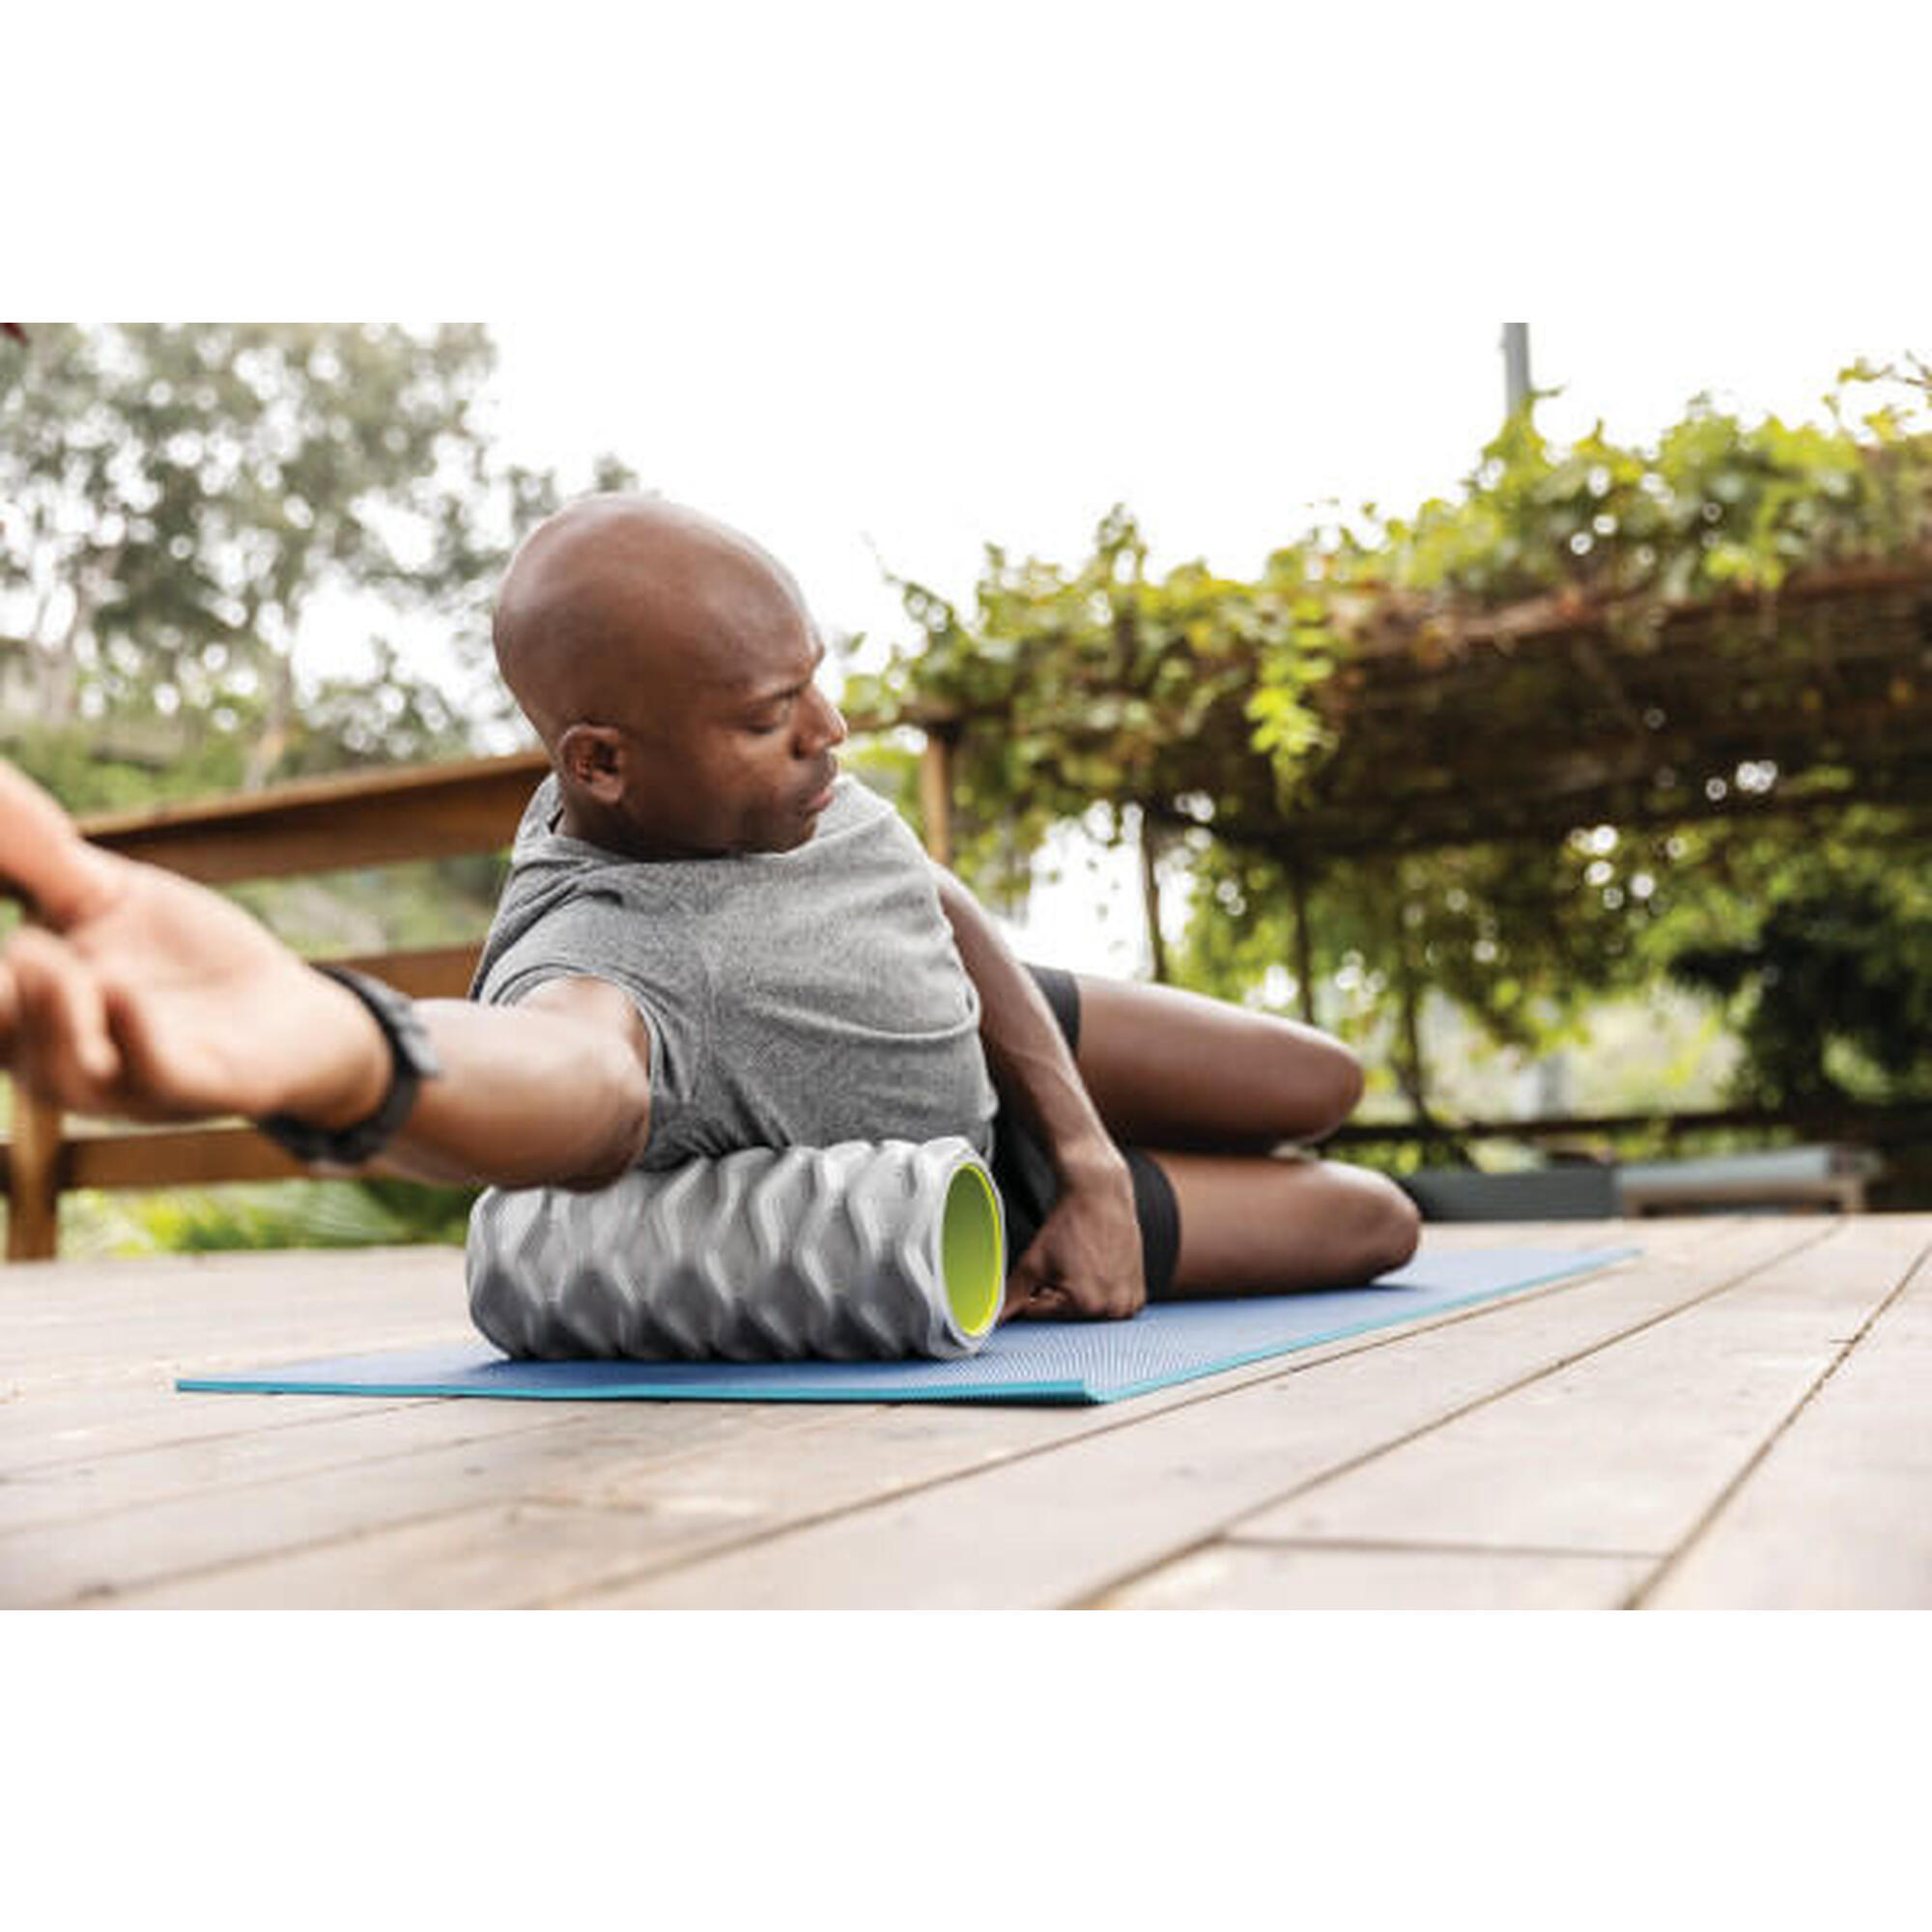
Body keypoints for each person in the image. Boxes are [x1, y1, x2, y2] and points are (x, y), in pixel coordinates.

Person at [0, 495, 1419, 1321]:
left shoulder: (777, 772)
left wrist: (1095, 1143)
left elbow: (917, 881)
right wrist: (352, 1050)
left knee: (1327, 1078)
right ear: (602, 764)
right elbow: (576, 1079)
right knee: (1371, 1222)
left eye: (815, 675)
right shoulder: (601, 937)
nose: (833, 728)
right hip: (976, 1169)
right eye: (770, 713)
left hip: (1006, 1025)